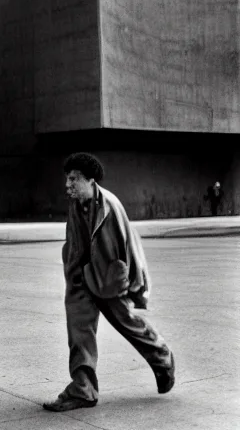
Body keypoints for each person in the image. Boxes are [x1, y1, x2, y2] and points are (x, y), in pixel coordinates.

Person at [43, 152, 175, 412]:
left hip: (110, 279)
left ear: (90, 181)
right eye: (67, 179)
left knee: (129, 324)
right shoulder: (77, 203)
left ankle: (163, 358)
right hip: (83, 277)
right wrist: (73, 276)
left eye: (73, 180)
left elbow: (127, 252)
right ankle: (83, 390)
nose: (67, 185)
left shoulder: (110, 208)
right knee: (78, 329)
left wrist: (124, 286)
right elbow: (75, 244)